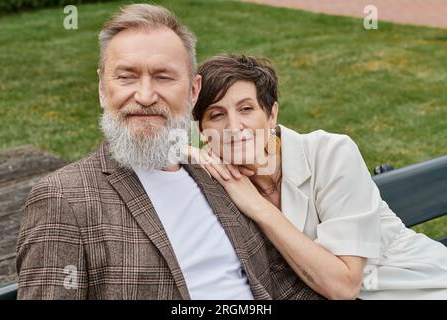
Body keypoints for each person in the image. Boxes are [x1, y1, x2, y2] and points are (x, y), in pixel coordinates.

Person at [16, 5, 320, 300]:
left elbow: (281, 287)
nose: (145, 96)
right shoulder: (63, 198)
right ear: (101, 88)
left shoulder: (221, 177)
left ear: (192, 91)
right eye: (126, 77)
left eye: (163, 77)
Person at [191, 53, 447, 300]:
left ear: (271, 115)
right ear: (203, 131)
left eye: (246, 109)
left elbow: (344, 287)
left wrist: (257, 206)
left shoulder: (332, 154)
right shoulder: (217, 177)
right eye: (217, 114)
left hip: (422, 286)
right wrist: (186, 151)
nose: (234, 127)